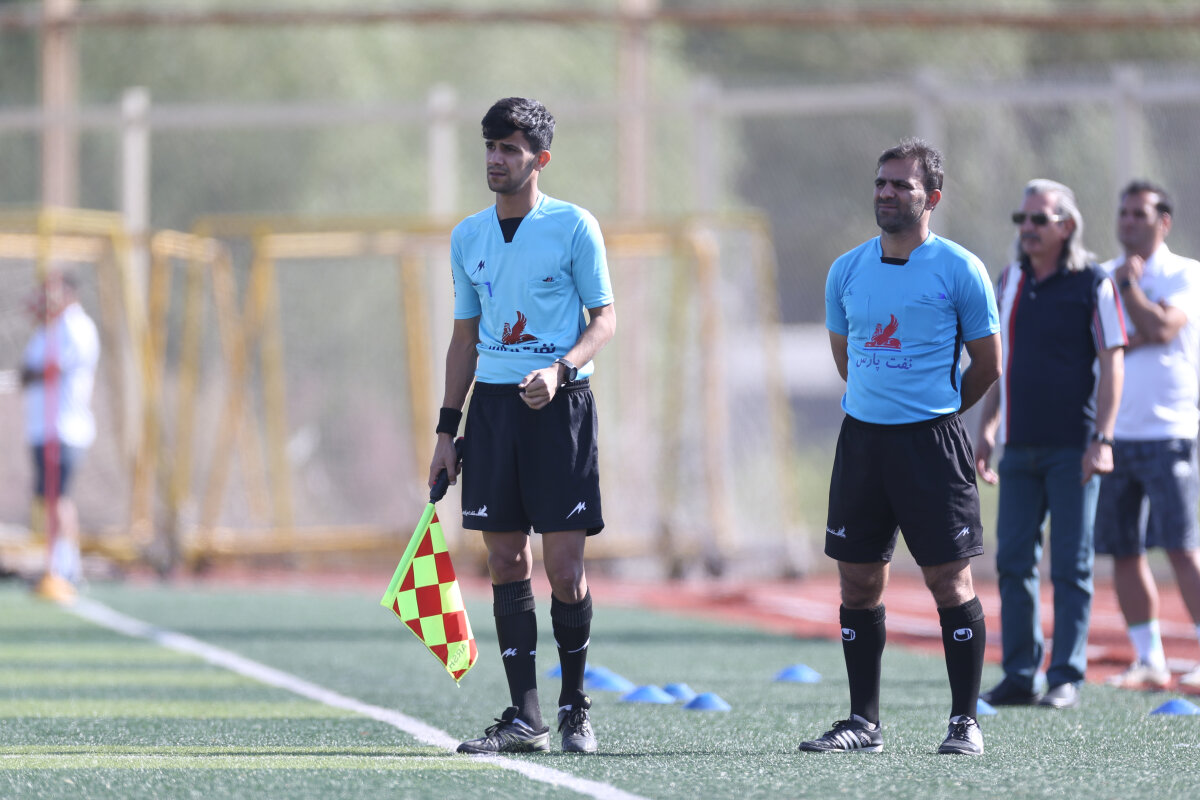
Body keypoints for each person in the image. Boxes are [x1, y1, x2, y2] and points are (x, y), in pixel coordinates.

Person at [799, 138, 1001, 756]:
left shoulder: (960, 269)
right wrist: (882, 402)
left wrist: (938, 410)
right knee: (858, 584)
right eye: (881, 183)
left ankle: (964, 722)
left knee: (949, 581)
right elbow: (846, 359)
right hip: (862, 443)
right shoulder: (846, 270)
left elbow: (989, 364)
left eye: (901, 185)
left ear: (931, 197)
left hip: (931, 445)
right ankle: (864, 723)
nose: (886, 193)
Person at [429, 97, 616, 755]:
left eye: (509, 148)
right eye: (490, 146)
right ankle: (525, 716)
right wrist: (446, 432)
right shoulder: (467, 236)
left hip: (560, 410)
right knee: (506, 559)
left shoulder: (574, 226)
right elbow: (464, 340)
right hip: (493, 414)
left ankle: (574, 706)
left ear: (540, 159)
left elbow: (604, 320)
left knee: (564, 569)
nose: (495, 158)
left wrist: (560, 371)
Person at [976, 179, 1126, 710]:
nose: (1028, 229)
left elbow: (1113, 362)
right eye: (1022, 219)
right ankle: (1020, 674)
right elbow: (1000, 363)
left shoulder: (1094, 282)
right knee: (1013, 561)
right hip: (1018, 447)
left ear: (1067, 226)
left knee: (1071, 566)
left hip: (1074, 449)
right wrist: (987, 427)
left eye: (1039, 219)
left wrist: (1102, 438)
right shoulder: (1010, 279)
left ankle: (1066, 676)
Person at [1095, 181, 1200, 691]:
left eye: (1140, 213)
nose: (1129, 221)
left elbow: (1160, 330)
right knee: (1124, 550)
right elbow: (1101, 344)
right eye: (1124, 212)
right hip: (1115, 434)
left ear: (1164, 221)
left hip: (1169, 430)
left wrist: (1131, 290)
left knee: (1181, 547)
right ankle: (1149, 660)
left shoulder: (1184, 273)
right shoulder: (1103, 276)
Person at [21, 270, 100, 601]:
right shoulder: (47, 330)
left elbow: (55, 368)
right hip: (42, 427)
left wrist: (34, 373)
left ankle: (68, 569)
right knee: (48, 498)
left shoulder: (76, 327)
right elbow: (26, 372)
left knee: (59, 497)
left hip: (64, 427)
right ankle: (57, 565)